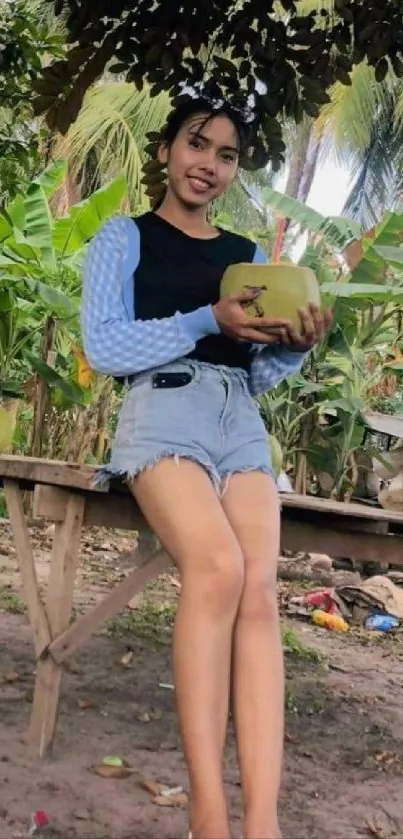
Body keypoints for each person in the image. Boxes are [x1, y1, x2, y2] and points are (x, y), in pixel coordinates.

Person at [81, 95, 332, 839]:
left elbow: (255, 374)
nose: (209, 164)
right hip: (161, 409)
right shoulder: (122, 237)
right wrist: (202, 320)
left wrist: (293, 343)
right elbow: (105, 347)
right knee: (218, 566)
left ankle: (263, 822)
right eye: (198, 144)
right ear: (166, 150)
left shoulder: (248, 257)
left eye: (226, 155)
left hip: (238, 418)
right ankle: (208, 813)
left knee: (257, 586)